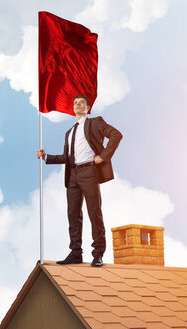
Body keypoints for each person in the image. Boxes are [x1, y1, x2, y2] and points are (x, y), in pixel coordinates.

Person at [37, 94, 122, 267]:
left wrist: (103, 157)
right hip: (73, 175)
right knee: (73, 215)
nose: (77, 105)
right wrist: (47, 157)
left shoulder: (95, 123)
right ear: (73, 107)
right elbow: (67, 157)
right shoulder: (69, 133)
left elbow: (116, 135)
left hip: (89, 171)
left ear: (87, 107)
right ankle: (76, 253)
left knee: (94, 212)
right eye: (75, 103)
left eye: (81, 102)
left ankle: (98, 253)